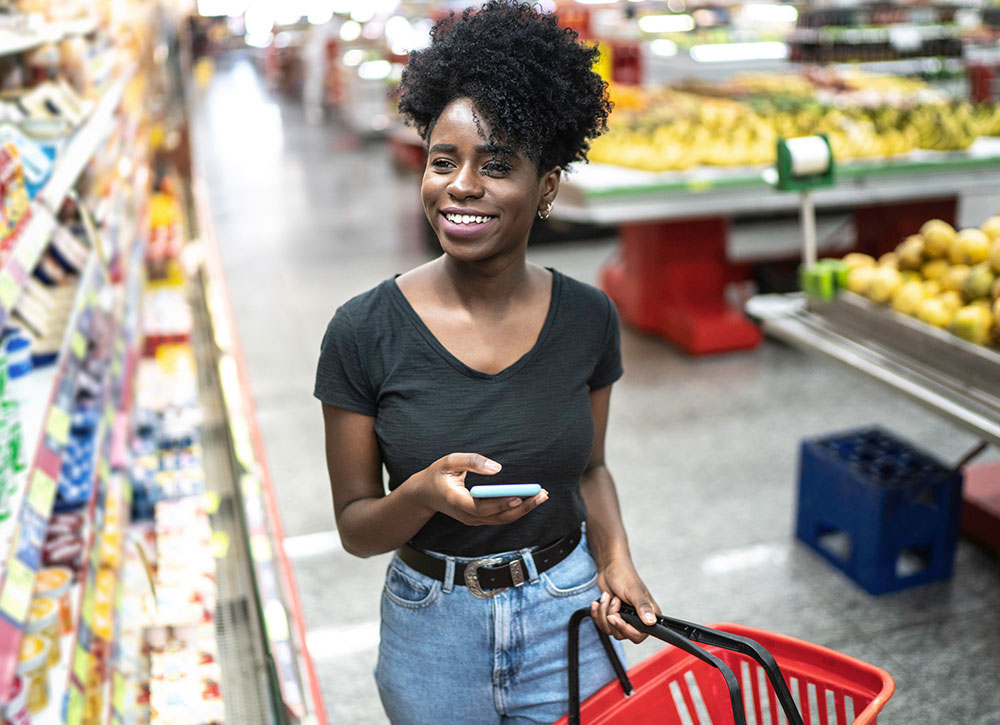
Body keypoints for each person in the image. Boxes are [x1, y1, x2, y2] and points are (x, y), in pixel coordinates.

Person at [314, 2, 659, 722]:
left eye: (497, 165)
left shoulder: (588, 317)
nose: (461, 185)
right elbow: (355, 526)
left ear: (548, 187)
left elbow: (590, 467)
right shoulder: (362, 330)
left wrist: (617, 559)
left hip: (568, 615)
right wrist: (424, 496)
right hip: (432, 629)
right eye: (445, 161)